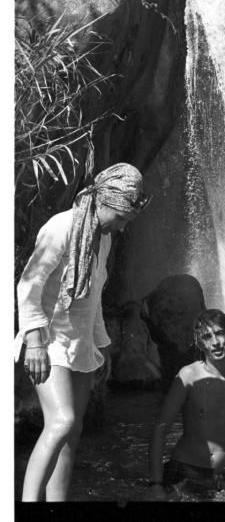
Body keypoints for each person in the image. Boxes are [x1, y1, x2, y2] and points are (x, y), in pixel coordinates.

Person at [15, 162, 150, 501]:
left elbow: (93, 299)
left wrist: (100, 346)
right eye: (120, 219)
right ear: (105, 202)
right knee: (60, 422)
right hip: (47, 342)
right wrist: (33, 341)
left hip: (79, 343)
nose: (120, 228)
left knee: (72, 431)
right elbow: (28, 286)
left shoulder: (100, 238)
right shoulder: (61, 228)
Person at [145, 309, 225, 500]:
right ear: (199, 342)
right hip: (185, 471)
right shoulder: (189, 376)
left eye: (220, 333)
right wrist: (155, 484)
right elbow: (160, 428)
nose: (215, 342)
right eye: (207, 336)